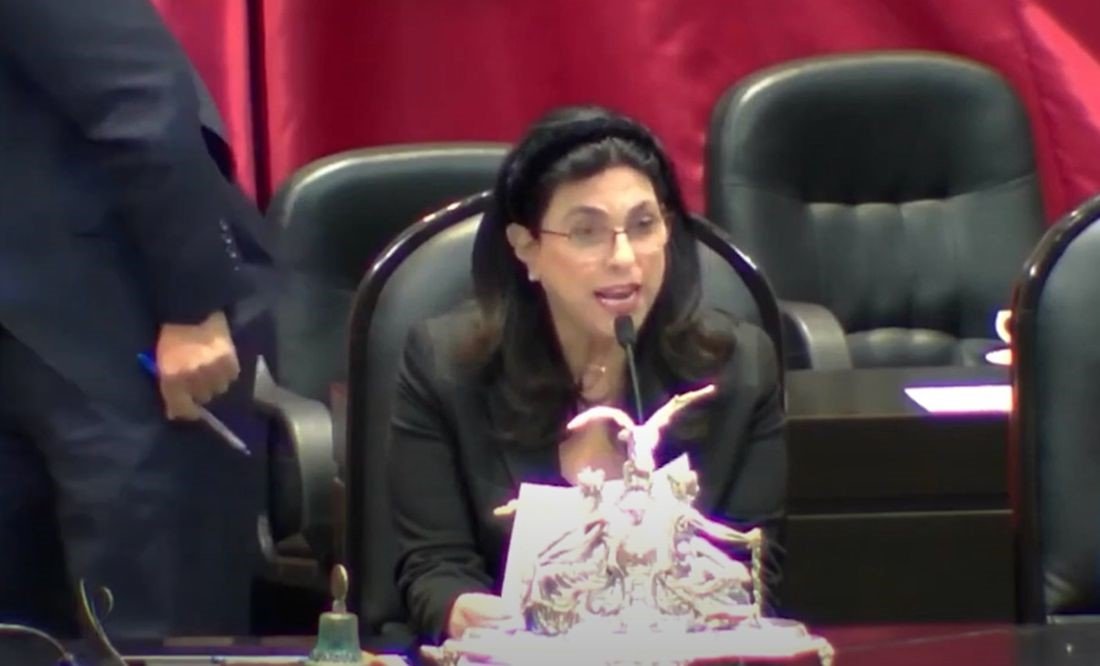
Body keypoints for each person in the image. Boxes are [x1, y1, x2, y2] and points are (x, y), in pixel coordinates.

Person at [388, 106, 787, 644]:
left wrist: (725, 597)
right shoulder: (448, 369)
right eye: (586, 232)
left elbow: (755, 566)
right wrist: (465, 611)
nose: (624, 258)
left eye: (644, 226)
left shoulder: (738, 370)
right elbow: (434, 569)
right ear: (527, 248)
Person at [0, 0, 273, 640]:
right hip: (22, 335)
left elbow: (144, 104)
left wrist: (192, 306)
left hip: (123, 324)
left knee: (153, 626)